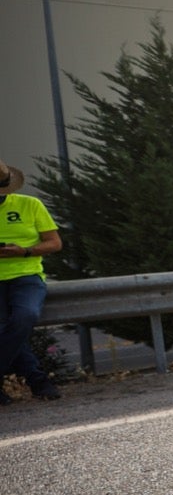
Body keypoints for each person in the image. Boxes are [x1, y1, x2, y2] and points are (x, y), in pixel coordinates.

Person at [0, 160, 64, 405]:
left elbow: (55, 243)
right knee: (6, 329)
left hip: (26, 275)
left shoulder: (30, 205)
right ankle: (39, 381)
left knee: (25, 316)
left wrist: (25, 251)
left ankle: (38, 381)